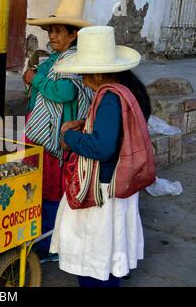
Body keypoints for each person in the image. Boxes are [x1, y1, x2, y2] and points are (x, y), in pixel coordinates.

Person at [51, 25, 155, 287]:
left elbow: (103, 147)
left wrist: (70, 137)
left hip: (103, 189)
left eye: (85, 72)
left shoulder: (109, 97)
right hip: (120, 185)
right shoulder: (128, 91)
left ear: (98, 71)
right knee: (108, 258)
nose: (83, 78)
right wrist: (85, 123)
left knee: (93, 260)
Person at [23, 0, 94, 261]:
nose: (51, 36)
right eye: (50, 31)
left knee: (52, 191)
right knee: (38, 188)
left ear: (73, 34)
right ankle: (40, 237)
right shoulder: (54, 59)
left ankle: (49, 245)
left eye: (57, 31)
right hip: (39, 135)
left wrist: (34, 79)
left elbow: (64, 92)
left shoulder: (74, 60)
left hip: (57, 139)